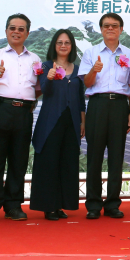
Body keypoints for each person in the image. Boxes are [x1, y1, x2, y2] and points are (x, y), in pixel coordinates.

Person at [0, 14, 41, 223]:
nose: (16, 32)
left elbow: (37, 89)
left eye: (21, 29)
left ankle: (13, 205)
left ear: (27, 33)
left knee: (19, 161)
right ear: (6, 31)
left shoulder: (35, 59)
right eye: (12, 28)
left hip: (24, 113)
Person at [80, 13, 130, 219]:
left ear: (121, 29)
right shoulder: (91, 53)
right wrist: (94, 71)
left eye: (114, 26)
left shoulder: (129, 54)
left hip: (120, 106)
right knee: (94, 156)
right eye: (106, 26)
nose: (110, 29)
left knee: (116, 156)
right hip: (98, 104)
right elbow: (86, 83)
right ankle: (93, 204)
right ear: (101, 29)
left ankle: (113, 203)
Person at [30, 29, 86, 220]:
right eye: (59, 42)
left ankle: (61, 205)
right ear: (54, 45)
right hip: (51, 120)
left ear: (72, 46)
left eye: (67, 42)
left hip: (72, 121)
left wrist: (82, 122)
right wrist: (49, 77)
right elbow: (44, 91)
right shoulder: (45, 67)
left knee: (67, 162)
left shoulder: (77, 70)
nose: (63, 45)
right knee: (49, 162)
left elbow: (80, 98)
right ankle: (48, 206)